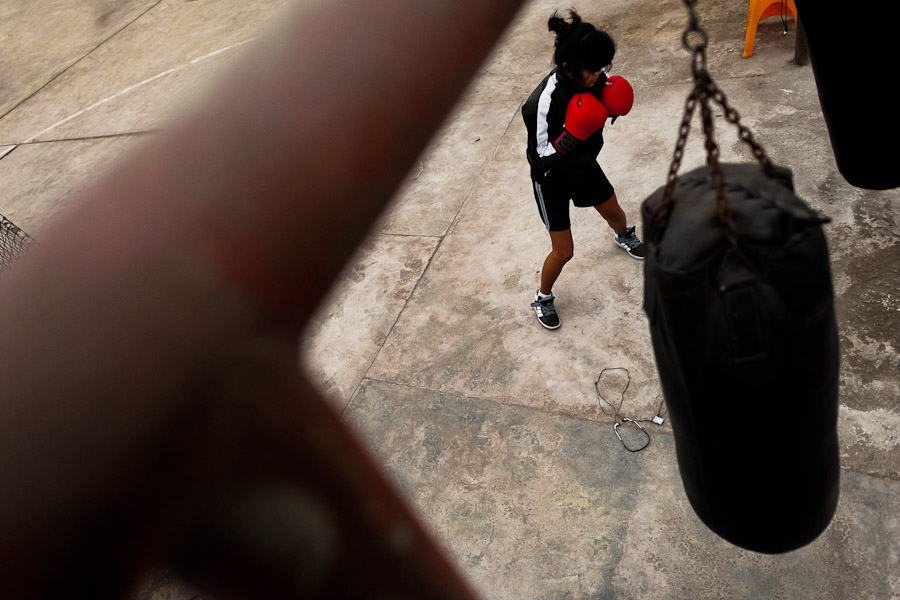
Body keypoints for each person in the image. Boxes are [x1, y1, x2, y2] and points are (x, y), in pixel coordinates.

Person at [522, 9, 644, 330]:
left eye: (604, 68)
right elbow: (539, 157)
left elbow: (602, 96)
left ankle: (623, 237)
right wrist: (571, 137)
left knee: (617, 214)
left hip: (585, 167)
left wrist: (613, 103)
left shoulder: (596, 78)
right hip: (552, 179)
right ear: (568, 67)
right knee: (564, 252)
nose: (599, 75)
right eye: (592, 70)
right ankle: (543, 296)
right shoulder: (541, 102)